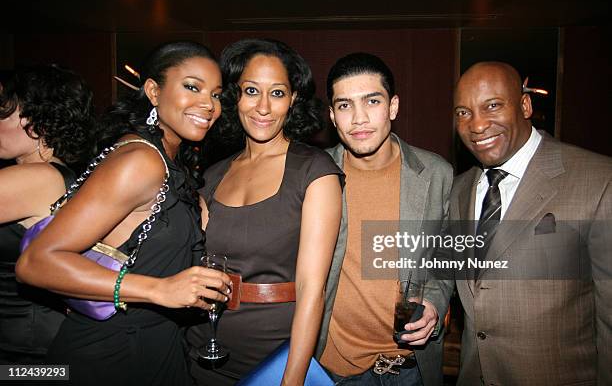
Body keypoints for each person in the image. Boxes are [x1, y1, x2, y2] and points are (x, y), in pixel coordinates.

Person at [16, 41, 232, 386]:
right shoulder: (141, 161)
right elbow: (35, 263)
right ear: (153, 91)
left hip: (154, 345)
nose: (208, 104)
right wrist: (158, 289)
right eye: (192, 86)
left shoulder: (171, 161)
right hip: (109, 355)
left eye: (217, 94)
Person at [186, 38, 343, 385]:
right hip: (201, 347)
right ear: (234, 97)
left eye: (277, 93)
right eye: (252, 91)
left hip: (271, 356)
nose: (263, 108)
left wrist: (293, 378)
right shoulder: (213, 174)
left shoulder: (314, 171)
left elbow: (311, 289)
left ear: (293, 99)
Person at [451, 61, 612, 385]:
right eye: (463, 112)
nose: (477, 124)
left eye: (492, 106)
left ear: (525, 105)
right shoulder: (460, 190)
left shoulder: (598, 179)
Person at [315, 53, 454, 386]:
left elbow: (448, 255)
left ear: (392, 107)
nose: (359, 119)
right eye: (345, 105)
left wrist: (435, 302)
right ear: (332, 116)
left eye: (371, 101)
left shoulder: (437, 174)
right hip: (336, 368)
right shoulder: (313, 175)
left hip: (412, 369)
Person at [0, 65, 95, 363]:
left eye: (3, 112)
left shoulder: (38, 178)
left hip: (27, 353)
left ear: (37, 121)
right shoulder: (57, 173)